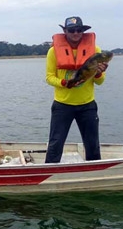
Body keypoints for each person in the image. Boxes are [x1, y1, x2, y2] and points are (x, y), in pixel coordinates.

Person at [44, 16, 110, 163]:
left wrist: (99, 73)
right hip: (62, 105)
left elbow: (100, 82)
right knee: (55, 144)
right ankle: (50, 174)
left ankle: (94, 176)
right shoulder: (53, 52)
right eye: (72, 30)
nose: (75, 33)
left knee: (92, 145)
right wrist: (64, 82)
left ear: (83, 31)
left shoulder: (96, 51)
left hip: (87, 105)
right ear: (65, 31)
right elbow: (49, 77)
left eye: (79, 30)